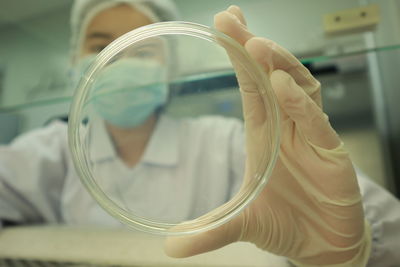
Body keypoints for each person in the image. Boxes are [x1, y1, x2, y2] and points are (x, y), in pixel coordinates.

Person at [0, 0, 399, 266]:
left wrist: (356, 248)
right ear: (76, 62)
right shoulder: (51, 151)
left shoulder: (224, 141)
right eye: (103, 46)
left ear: (168, 69)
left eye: (142, 51)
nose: (119, 61)